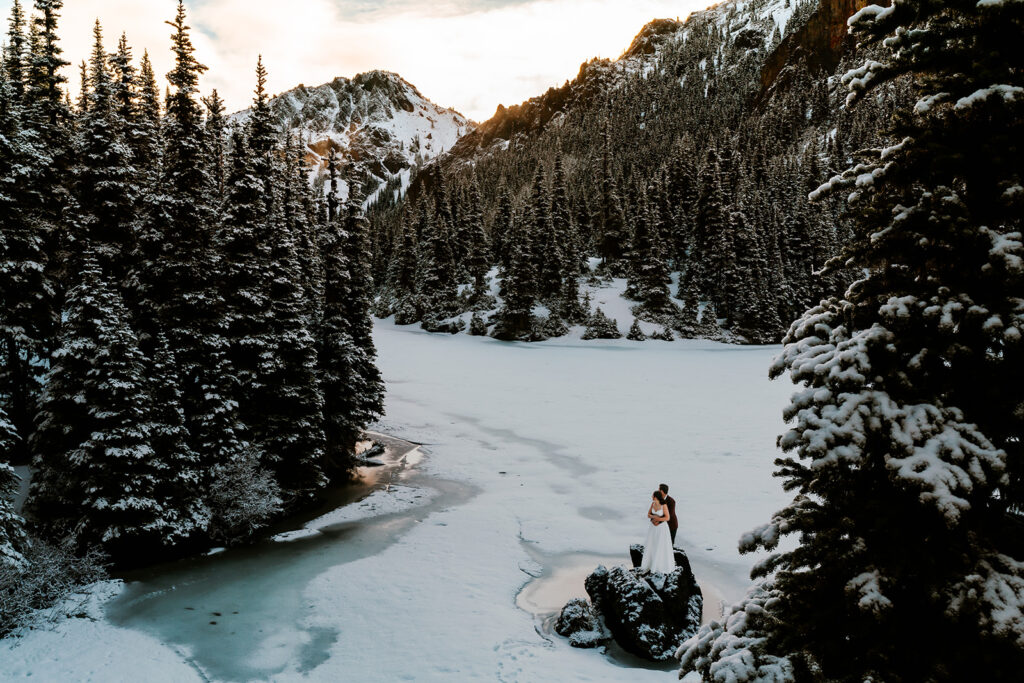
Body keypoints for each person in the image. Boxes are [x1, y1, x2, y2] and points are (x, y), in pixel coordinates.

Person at [640, 490, 676, 574]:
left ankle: (659, 565)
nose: (651, 497)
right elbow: (648, 514)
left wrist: (658, 519)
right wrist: (653, 517)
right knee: (652, 544)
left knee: (660, 545)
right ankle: (650, 563)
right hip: (653, 528)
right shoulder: (652, 504)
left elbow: (667, 518)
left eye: (652, 495)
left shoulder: (664, 505)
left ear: (656, 497)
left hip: (661, 528)